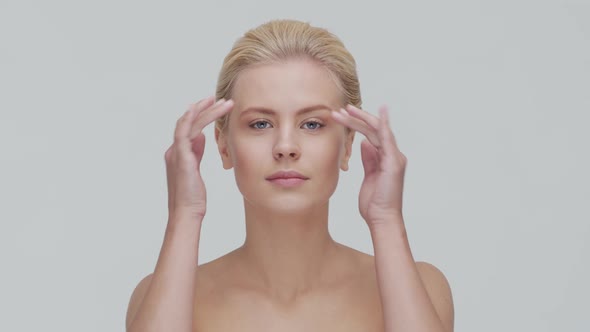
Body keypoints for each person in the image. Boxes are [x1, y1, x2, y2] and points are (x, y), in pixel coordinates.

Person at [125, 19, 454, 332]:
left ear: (347, 145)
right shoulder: (163, 297)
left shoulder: (421, 286)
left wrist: (386, 219)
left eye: (312, 124)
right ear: (224, 146)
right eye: (260, 124)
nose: (285, 147)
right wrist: (184, 213)